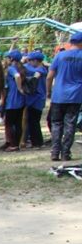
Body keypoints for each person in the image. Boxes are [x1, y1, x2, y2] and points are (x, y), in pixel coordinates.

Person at [47, 32, 82, 162]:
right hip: (76, 96)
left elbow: (49, 76)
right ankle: (66, 153)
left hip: (58, 95)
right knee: (70, 124)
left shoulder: (59, 56)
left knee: (56, 124)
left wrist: (48, 91)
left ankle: (55, 152)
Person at [2, 50, 26, 151]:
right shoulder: (23, 68)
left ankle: (13, 144)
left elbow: (17, 76)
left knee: (9, 123)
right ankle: (17, 143)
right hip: (21, 99)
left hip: (12, 100)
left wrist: (19, 87)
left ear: (11, 59)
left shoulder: (12, 69)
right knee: (18, 123)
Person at [23, 51, 47, 148]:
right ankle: (34, 141)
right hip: (34, 99)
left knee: (34, 121)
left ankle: (38, 142)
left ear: (36, 61)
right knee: (31, 121)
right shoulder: (37, 68)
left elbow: (35, 76)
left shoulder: (41, 70)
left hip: (36, 99)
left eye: (30, 60)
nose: (29, 62)